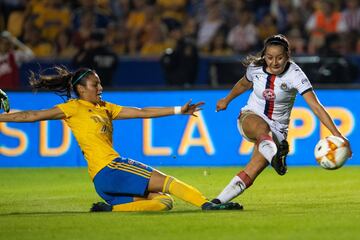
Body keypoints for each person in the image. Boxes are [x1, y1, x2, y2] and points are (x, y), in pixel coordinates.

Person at [0, 67, 241, 212]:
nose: (100, 87)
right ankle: (208, 205)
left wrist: (179, 110)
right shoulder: (73, 107)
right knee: (166, 181)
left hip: (104, 180)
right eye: (95, 84)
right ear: (82, 89)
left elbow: (142, 112)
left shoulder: (105, 107)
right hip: (109, 168)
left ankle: (111, 208)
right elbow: (31, 115)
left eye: (100, 83)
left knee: (163, 202)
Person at [210, 34, 353, 205]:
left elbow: (316, 106)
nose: (274, 62)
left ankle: (218, 201)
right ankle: (276, 159)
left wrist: (338, 135)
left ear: (287, 56)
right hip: (250, 116)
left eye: (279, 57)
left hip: (277, 131)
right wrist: (227, 99)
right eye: (269, 57)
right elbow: (243, 84)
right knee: (262, 128)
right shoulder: (255, 68)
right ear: (264, 56)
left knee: (253, 169)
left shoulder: (295, 75)